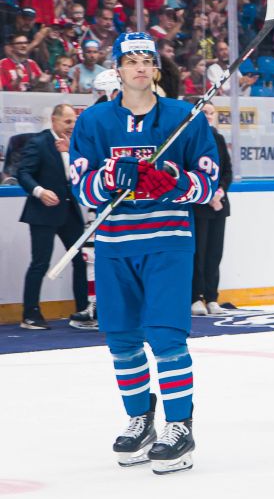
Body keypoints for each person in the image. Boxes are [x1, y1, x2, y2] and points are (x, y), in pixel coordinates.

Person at [68, 32, 221, 474]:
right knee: (121, 339)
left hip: (167, 242)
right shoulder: (94, 122)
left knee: (167, 337)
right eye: (130, 59)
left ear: (156, 68)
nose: (138, 67)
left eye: (146, 60)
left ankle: (179, 427)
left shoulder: (183, 117)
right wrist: (114, 176)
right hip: (115, 244)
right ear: (117, 68)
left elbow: (209, 182)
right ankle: (140, 418)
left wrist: (172, 183)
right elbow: (82, 186)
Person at [17, 103, 90, 330]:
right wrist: (40, 191)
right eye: (67, 122)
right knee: (40, 263)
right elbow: (23, 172)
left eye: (74, 122)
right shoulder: (38, 143)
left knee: (80, 261)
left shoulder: (75, 145)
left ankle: (83, 311)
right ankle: (30, 315)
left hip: (69, 212)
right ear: (54, 121)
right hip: (42, 213)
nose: (72, 126)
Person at [191, 104, 233, 317]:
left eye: (210, 112)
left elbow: (227, 171)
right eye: (203, 112)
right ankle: (196, 296)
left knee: (214, 253)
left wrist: (219, 192)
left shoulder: (218, 139)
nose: (208, 116)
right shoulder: (191, 140)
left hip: (219, 205)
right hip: (199, 205)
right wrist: (207, 195)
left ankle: (212, 297)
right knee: (199, 252)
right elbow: (190, 171)